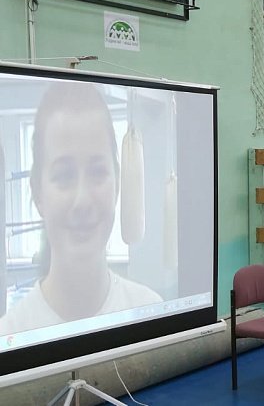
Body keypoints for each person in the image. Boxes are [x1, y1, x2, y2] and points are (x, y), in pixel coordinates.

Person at [0, 82, 161, 335]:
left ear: (117, 184)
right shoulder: (11, 333)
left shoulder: (150, 312)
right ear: (38, 193)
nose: (82, 200)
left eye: (97, 172)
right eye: (64, 175)